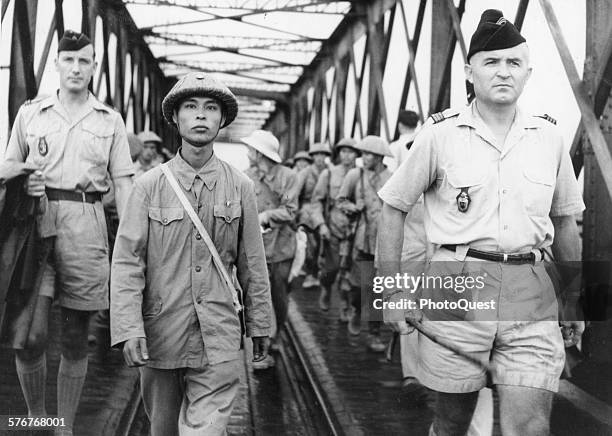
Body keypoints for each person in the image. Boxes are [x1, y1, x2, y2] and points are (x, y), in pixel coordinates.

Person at [378, 10, 585, 435]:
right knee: (452, 422)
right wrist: (391, 292)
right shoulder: (439, 135)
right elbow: (393, 207)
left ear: (529, 72)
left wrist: (577, 296)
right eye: (491, 62)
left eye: (514, 62)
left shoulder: (549, 138)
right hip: (456, 283)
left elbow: (565, 222)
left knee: (529, 428)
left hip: (530, 287)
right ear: (469, 72)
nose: (503, 72)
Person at [110, 72, 272, 435]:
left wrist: (261, 324)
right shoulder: (148, 186)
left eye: (211, 108)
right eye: (191, 107)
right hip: (161, 332)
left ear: (222, 119)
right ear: (176, 118)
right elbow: (127, 263)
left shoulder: (240, 186)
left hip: (220, 333)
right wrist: (128, 327)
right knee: (162, 429)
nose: (201, 115)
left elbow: (252, 264)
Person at [3, 30, 134, 435]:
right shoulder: (31, 113)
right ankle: (37, 416)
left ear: (94, 67)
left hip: (87, 225)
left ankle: (65, 427)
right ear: (56, 65)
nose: (76, 68)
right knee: (31, 336)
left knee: (77, 337)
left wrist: (131, 245)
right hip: (36, 227)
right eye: (68, 60)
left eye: (84, 61)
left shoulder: (110, 120)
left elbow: (124, 183)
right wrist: (24, 180)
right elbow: (8, 168)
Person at [243, 130, 298, 369]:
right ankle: (262, 345)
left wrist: (266, 215)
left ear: (259, 153)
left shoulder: (288, 177)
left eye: (251, 149)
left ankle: (278, 333)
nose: (247, 153)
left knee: (279, 296)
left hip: (282, 246)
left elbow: (290, 210)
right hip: (256, 249)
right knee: (257, 298)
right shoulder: (246, 177)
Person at [336, 136, 393, 350]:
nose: (364, 157)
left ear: (379, 157)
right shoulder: (355, 175)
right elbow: (340, 200)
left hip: (384, 240)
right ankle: (356, 309)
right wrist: (354, 208)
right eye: (364, 153)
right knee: (359, 285)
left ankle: (374, 334)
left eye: (369, 154)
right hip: (361, 238)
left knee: (377, 288)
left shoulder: (391, 177)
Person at [311, 138, 360, 317]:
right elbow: (316, 202)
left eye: (351, 151)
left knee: (348, 270)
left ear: (357, 154)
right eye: (343, 151)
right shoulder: (329, 174)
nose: (346, 155)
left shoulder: (361, 175)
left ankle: (345, 305)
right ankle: (325, 288)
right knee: (331, 269)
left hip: (354, 231)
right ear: (338, 153)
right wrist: (321, 225)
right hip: (332, 228)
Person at [295, 143, 332, 288]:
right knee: (311, 245)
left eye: (323, 155)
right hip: (306, 210)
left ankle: (320, 272)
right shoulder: (305, 172)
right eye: (317, 155)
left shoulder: (330, 172)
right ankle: (311, 273)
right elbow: (295, 193)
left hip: (325, 211)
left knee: (324, 245)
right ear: (313, 157)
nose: (320, 158)